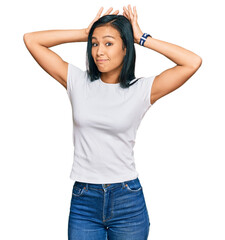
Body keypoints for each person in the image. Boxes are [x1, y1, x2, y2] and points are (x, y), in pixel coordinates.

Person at [23, 4, 202, 240]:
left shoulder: (141, 90)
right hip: (84, 199)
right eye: (95, 44)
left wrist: (141, 38)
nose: (99, 51)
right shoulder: (78, 82)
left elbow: (192, 61)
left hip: (127, 198)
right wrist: (84, 33)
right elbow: (31, 40)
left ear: (125, 48)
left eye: (108, 43)